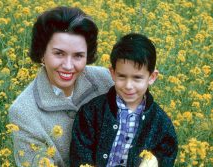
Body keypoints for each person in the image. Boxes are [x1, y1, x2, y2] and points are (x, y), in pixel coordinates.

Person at [8, 6, 114, 167]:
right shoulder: (23, 112)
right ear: (42, 53)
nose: (68, 66)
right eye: (59, 54)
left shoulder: (106, 80)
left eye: (78, 55)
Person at [70, 33, 178, 167]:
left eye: (137, 78)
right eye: (122, 76)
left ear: (152, 77)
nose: (128, 85)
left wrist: (155, 161)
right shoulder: (92, 112)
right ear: (112, 73)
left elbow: (167, 153)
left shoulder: (161, 122)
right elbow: (80, 153)